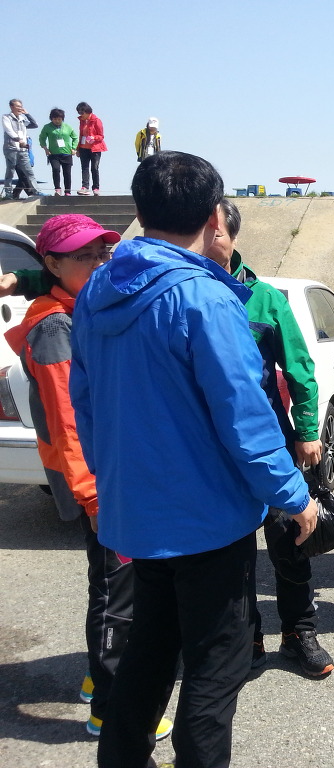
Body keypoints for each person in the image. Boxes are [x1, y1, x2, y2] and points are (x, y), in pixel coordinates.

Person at [70, 151, 318, 768]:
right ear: (214, 217)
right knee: (216, 665)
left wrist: (111, 479)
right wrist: (294, 496)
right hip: (208, 521)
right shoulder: (204, 297)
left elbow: (86, 401)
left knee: (149, 653)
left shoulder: (98, 288)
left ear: (139, 211)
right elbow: (246, 419)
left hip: (138, 516)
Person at [3, 215, 173, 743]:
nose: (100, 265)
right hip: (96, 479)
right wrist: (94, 496)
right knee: (116, 591)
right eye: (85, 256)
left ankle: (98, 676)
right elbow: (67, 420)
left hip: (107, 469)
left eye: (103, 254)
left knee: (114, 583)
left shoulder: (79, 304)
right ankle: (111, 708)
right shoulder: (56, 327)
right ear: (53, 264)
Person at [208, 198, 333, 677]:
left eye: (217, 231)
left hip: (272, 441)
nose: (208, 238)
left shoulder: (265, 299)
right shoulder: (192, 294)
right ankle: (248, 637)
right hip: (216, 448)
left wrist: (307, 432)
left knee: (290, 539)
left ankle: (299, 634)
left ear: (233, 236)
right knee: (233, 550)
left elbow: (299, 369)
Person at [3, 99, 39, 199]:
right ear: (11, 107)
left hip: (23, 150)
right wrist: (19, 140)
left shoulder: (22, 119)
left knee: (29, 172)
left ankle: (36, 191)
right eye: (18, 106)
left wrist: (27, 114)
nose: (20, 108)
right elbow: (9, 131)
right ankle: (8, 193)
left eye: (21, 106)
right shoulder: (6, 117)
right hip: (11, 149)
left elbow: (34, 124)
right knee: (10, 172)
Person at [38, 108, 78, 197]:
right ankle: (57, 189)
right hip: (53, 154)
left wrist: (74, 148)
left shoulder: (68, 127)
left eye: (59, 119)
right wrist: (45, 148)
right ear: (51, 118)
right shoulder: (47, 127)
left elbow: (75, 138)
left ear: (62, 119)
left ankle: (67, 191)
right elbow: (42, 138)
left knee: (67, 173)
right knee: (56, 169)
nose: (57, 121)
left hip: (67, 153)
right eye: (55, 119)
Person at [75, 101, 106, 195]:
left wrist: (94, 138)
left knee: (94, 168)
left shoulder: (96, 120)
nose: (81, 115)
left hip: (95, 148)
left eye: (82, 112)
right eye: (79, 113)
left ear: (87, 111)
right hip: (83, 148)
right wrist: (78, 148)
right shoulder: (81, 121)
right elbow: (81, 135)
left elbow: (101, 136)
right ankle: (85, 187)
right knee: (84, 167)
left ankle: (96, 188)